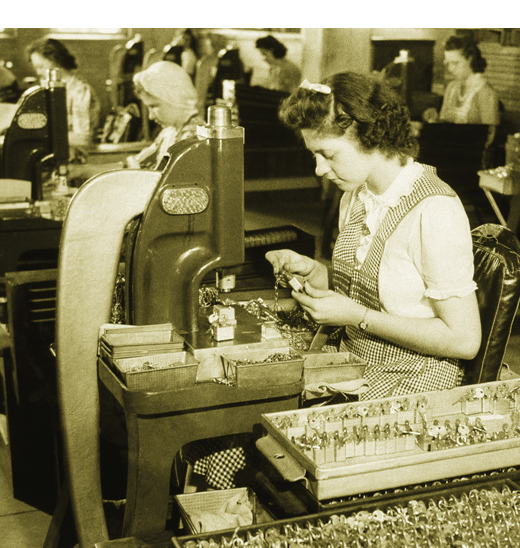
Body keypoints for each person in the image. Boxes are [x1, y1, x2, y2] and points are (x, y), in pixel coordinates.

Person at [266, 72, 482, 402]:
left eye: (328, 154)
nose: (319, 169)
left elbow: (465, 340)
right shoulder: (357, 194)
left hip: (415, 382)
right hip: (355, 367)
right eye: (315, 155)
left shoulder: (435, 211)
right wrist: (319, 275)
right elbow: (380, 293)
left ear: (371, 138)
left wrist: (359, 317)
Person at [126, 60, 204, 169]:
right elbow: (141, 159)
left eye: (154, 106)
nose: (151, 116)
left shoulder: (192, 138)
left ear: (174, 98)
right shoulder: (169, 131)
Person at [28, 38, 100, 148]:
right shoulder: (48, 89)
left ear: (56, 61)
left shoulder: (80, 91)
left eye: (41, 66)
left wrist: (39, 137)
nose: (38, 72)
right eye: (35, 68)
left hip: (75, 157)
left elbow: (83, 139)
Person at [425, 35, 500, 126]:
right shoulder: (451, 87)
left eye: (455, 63)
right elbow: (444, 127)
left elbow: (491, 134)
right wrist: (434, 119)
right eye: (448, 63)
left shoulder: (485, 92)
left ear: (470, 59)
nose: (451, 68)